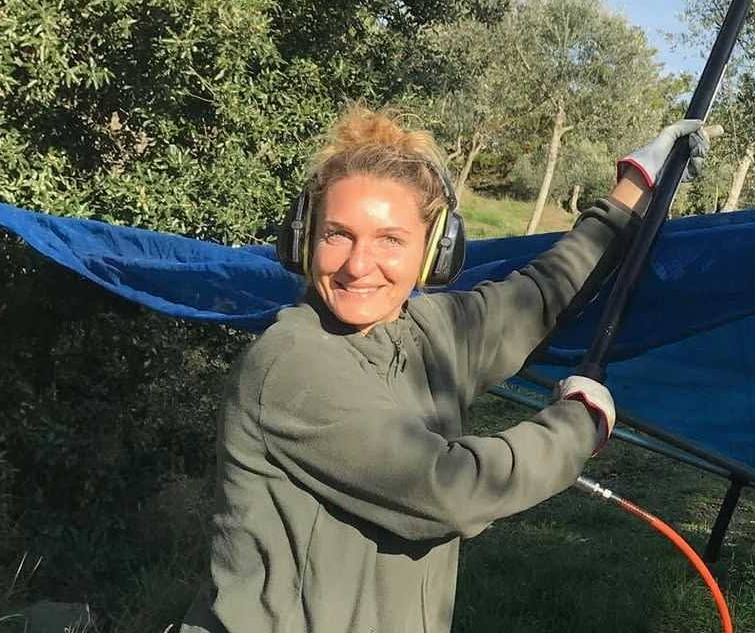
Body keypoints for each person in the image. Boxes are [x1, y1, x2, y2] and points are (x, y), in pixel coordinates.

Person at [180, 105, 711, 633]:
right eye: (337, 234)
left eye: (390, 240)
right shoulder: (291, 365)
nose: (358, 265)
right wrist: (579, 424)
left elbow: (541, 292)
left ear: (434, 250)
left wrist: (637, 187)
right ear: (303, 240)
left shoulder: (428, 328)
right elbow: (453, 489)